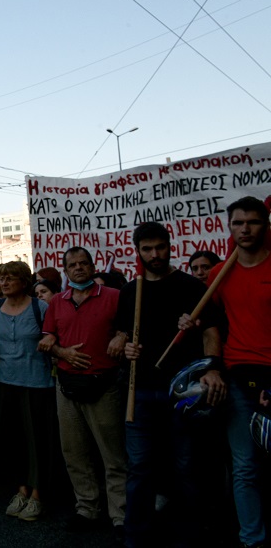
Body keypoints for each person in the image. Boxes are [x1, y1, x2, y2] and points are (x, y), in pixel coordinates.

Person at [119, 222, 225, 548]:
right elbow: (121, 334)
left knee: (185, 466)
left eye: (160, 247)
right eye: (147, 249)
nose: (155, 254)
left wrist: (212, 368)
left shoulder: (191, 287)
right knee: (139, 469)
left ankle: (189, 535)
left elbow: (210, 332)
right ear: (137, 252)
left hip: (183, 392)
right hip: (141, 391)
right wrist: (125, 346)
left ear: (170, 246)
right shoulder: (129, 291)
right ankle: (136, 536)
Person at [181, 196, 271, 548]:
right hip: (237, 376)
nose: (245, 229)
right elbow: (210, 323)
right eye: (238, 223)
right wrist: (191, 320)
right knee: (244, 465)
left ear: (265, 225)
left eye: (253, 222)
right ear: (229, 226)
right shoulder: (219, 274)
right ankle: (252, 539)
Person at [38, 247, 127, 541]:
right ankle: (87, 509)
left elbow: (130, 329)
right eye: (72, 265)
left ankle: (121, 515)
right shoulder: (57, 303)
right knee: (74, 453)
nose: (78, 268)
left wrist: (121, 336)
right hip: (67, 386)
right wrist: (62, 351)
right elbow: (48, 338)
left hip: (104, 385)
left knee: (112, 454)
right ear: (65, 270)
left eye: (83, 263)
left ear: (92, 266)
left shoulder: (114, 297)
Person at [0, 261, 54, 522]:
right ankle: (21, 490)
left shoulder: (41, 307)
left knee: (37, 441)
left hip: (38, 384)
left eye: (9, 278)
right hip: (6, 384)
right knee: (13, 440)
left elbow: (53, 336)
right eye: (1, 279)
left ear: (24, 281)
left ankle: (38, 495)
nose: (3, 283)